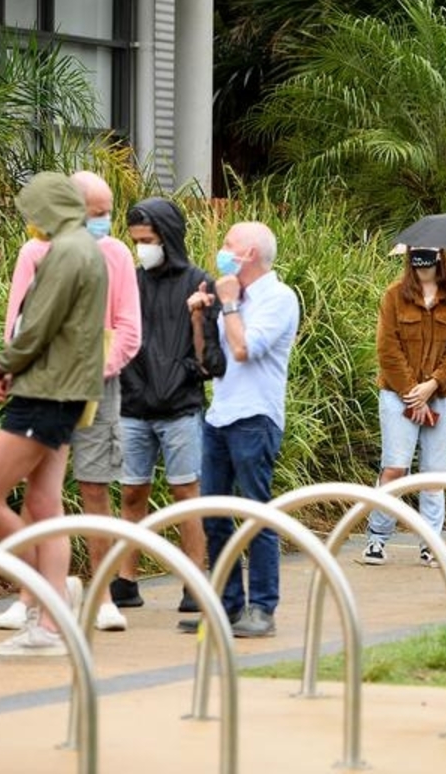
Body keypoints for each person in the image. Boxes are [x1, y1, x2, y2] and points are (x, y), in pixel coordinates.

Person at [0, 171, 108, 656]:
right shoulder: (83, 248)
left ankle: (51, 593)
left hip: (46, 393)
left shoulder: (66, 251)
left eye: (32, 212)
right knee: (46, 507)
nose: (30, 222)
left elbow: (36, 327)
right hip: (63, 391)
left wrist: (2, 365)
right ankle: (49, 623)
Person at [0, 170, 141, 635]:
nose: (104, 221)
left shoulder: (116, 253)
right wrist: (13, 369)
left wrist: (93, 369)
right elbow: (19, 323)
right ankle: (30, 594)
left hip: (98, 382)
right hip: (44, 385)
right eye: (96, 212)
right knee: (39, 491)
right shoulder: (35, 252)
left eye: (108, 212)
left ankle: (102, 596)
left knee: (95, 487)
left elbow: (129, 327)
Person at [180, 222, 299, 638]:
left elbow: (245, 349)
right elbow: (209, 361)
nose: (222, 251)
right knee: (213, 515)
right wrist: (199, 317)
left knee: (256, 514)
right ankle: (228, 606)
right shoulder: (233, 299)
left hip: (256, 417)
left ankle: (262, 608)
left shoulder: (279, 298)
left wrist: (229, 304)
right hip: (219, 416)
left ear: (249, 254)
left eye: (229, 244)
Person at [111, 198, 226, 613]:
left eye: (148, 240)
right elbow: (118, 337)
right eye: (136, 240)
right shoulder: (130, 282)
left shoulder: (200, 283)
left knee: (186, 494)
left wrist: (197, 319)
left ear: (169, 237)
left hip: (181, 407)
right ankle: (125, 579)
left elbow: (209, 360)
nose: (142, 248)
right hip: (133, 407)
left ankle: (195, 580)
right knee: (131, 492)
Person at [362, 247, 446, 567]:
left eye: (430, 252)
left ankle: (430, 542)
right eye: (417, 252)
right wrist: (412, 393)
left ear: (441, 256)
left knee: (434, 471)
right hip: (398, 394)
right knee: (395, 467)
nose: (423, 259)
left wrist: (432, 384)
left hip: (440, 393)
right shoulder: (394, 295)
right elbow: (387, 349)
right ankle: (377, 538)